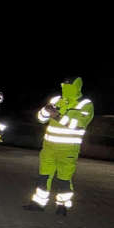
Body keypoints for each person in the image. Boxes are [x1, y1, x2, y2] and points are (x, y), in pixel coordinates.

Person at [25, 77, 94, 215]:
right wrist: (45, 111)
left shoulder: (85, 104)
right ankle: (39, 203)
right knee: (44, 176)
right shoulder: (56, 100)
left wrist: (57, 116)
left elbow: (79, 125)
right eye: (64, 84)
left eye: (69, 84)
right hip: (49, 147)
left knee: (64, 178)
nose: (65, 86)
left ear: (76, 85)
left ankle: (62, 206)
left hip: (68, 150)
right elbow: (40, 118)